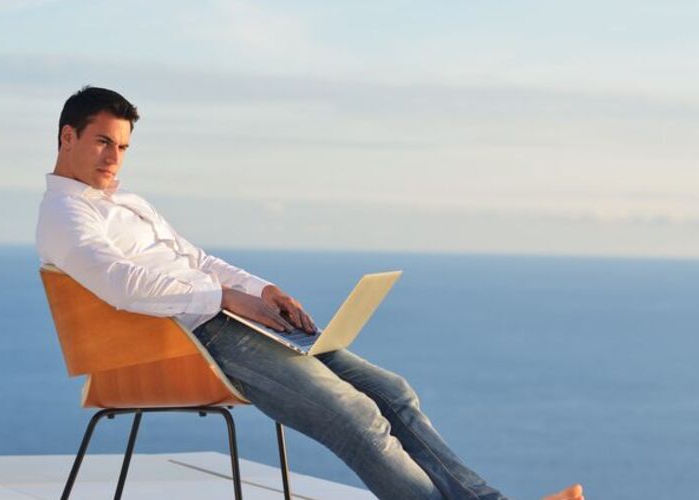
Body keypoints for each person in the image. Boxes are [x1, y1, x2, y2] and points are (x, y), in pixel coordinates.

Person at [35, 86, 585, 500]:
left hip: (224, 320)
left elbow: (197, 260)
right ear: (67, 138)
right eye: (103, 142)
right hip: (189, 342)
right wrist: (225, 299)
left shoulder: (126, 202)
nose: (114, 157)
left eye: (122, 146)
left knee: (392, 393)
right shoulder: (65, 215)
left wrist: (261, 290)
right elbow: (121, 284)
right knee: (356, 416)